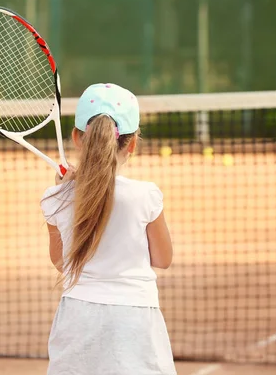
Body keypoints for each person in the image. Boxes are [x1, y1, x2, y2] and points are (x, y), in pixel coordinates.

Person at [40, 83, 177, 375]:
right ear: (132, 144)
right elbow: (163, 259)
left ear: (77, 138)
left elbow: (61, 262)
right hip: (136, 321)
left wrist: (64, 194)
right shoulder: (146, 196)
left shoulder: (54, 199)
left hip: (77, 319)